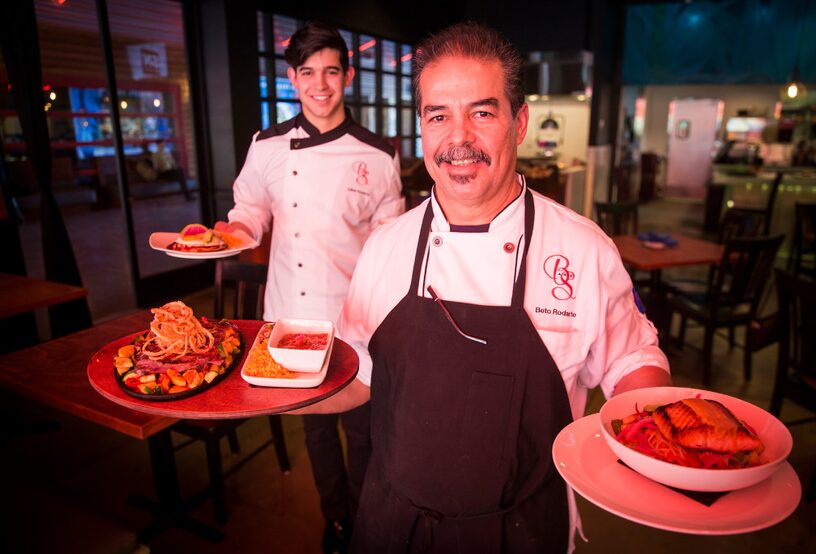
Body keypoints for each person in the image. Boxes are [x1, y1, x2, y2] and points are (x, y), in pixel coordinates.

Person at [292, 21, 672, 553]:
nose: (459, 140)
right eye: (439, 116)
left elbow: (630, 360)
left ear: (519, 123)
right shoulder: (385, 245)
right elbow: (358, 375)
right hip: (390, 522)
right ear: (422, 126)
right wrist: (253, 393)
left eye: (482, 112)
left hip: (518, 532)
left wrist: (667, 435)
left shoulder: (583, 250)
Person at [215, 21, 404, 554]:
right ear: (293, 79)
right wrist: (235, 231)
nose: (320, 85)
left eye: (330, 71)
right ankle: (337, 519)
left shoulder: (377, 153)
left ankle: (365, 518)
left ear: (345, 75)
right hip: (291, 320)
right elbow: (248, 209)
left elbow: (390, 240)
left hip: (357, 321)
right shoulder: (268, 145)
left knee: (365, 430)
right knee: (316, 431)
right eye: (307, 73)